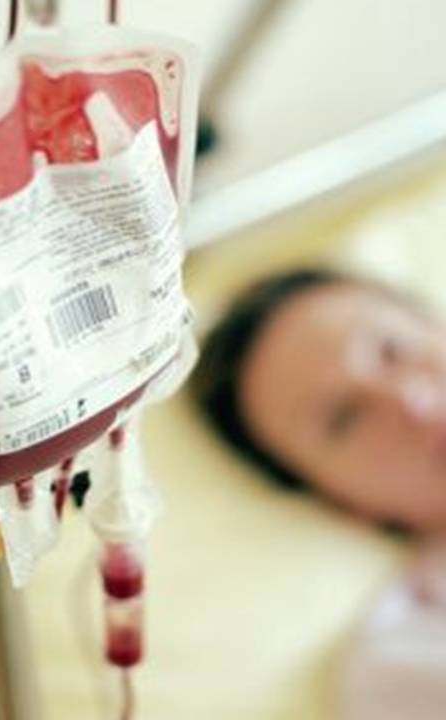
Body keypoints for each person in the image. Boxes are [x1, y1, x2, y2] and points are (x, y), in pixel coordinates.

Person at [191, 267, 446, 720]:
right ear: (343, 504)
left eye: (392, 351)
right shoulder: (405, 662)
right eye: (345, 419)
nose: (413, 403)